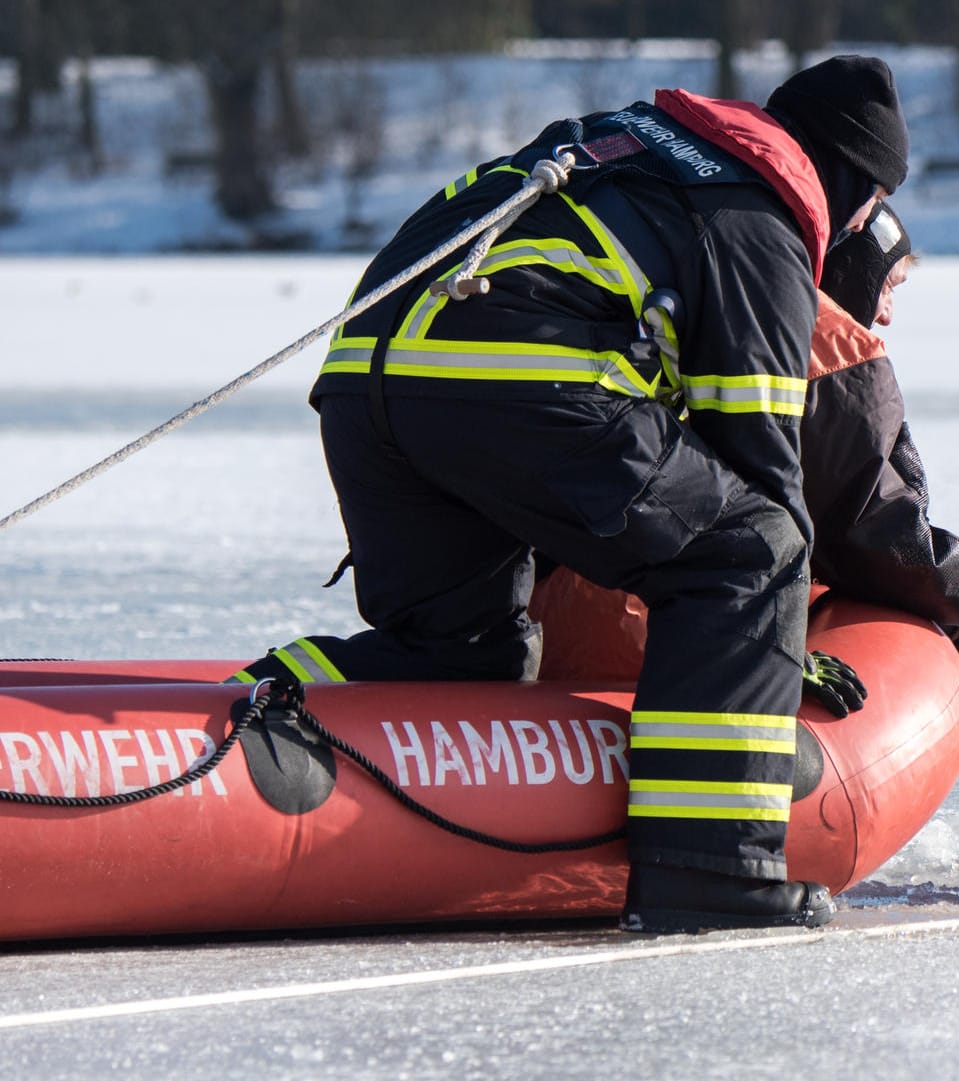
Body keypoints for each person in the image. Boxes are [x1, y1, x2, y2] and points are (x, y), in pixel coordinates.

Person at [231, 56, 919, 934]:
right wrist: (772, 638)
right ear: (855, 184)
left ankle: (260, 703)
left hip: (370, 382)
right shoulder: (758, 212)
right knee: (757, 550)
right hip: (517, 383)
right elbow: (762, 459)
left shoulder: (629, 142)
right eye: (869, 203)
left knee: (462, 657)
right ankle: (711, 868)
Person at [529, 199, 959, 686]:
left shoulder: (717, 307)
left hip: (564, 606)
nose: (887, 314)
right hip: (649, 632)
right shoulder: (824, 347)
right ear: (851, 270)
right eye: (888, 286)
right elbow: (883, 545)